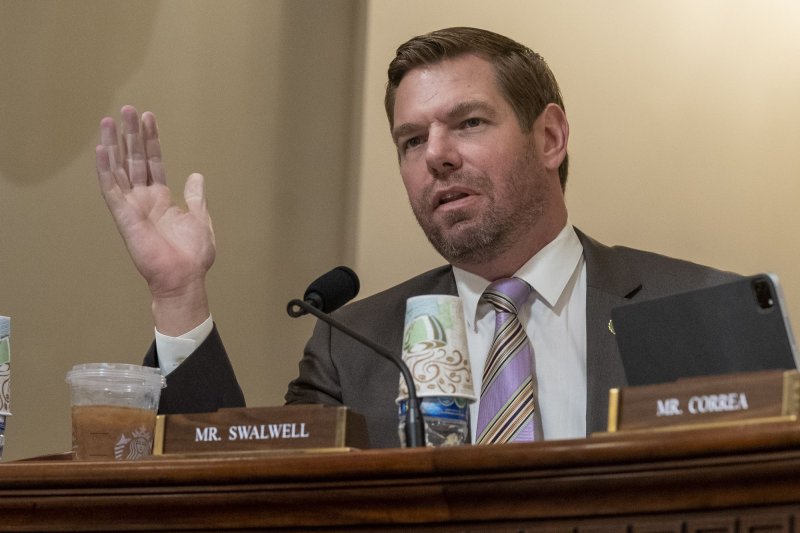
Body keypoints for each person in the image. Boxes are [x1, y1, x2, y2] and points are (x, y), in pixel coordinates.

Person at [95, 27, 735, 448]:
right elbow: (247, 496)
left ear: (549, 137)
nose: (436, 156)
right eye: (410, 141)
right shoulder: (357, 346)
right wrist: (179, 293)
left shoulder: (697, 309)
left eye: (469, 122)